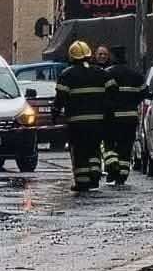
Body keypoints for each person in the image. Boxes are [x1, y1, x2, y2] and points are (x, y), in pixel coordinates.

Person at [54, 40, 111, 191]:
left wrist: (55, 114)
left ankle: (82, 182)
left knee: (80, 152)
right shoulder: (102, 74)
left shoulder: (66, 75)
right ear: (89, 55)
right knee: (94, 149)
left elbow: (60, 99)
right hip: (98, 123)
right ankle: (95, 173)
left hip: (76, 124)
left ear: (72, 57)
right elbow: (113, 94)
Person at [96, 43, 145, 185]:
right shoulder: (135, 75)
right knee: (126, 147)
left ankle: (112, 167)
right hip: (130, 117)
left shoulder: (106, 74)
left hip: (112, 117)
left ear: (112, 57)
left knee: (109, 144)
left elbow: (101, 94)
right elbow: (144, 93)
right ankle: (122, 175)